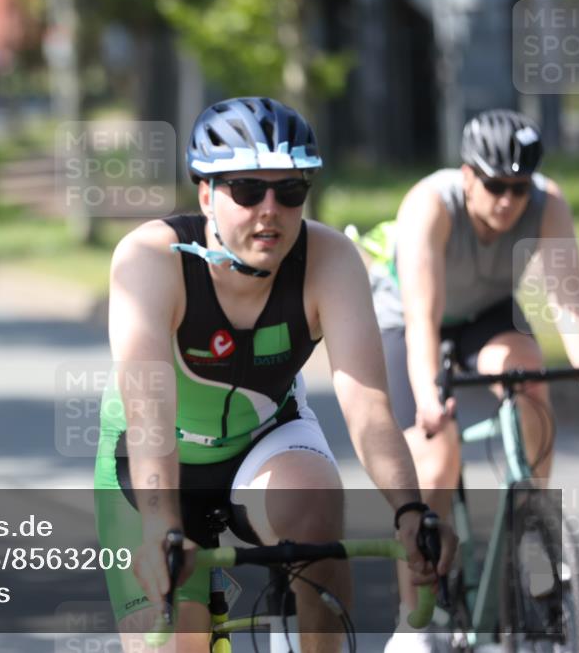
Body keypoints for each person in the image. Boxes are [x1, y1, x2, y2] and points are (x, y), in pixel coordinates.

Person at [94, 96, 456, 653]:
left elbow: (366, 404)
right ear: (205, 194)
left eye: (290, 191)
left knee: (314, 514)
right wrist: (158, 528)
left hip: (264, 443)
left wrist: (411, 511)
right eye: (246, 189)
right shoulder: (149, 259)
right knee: (173, 641)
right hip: (150, 459)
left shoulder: (330, 259)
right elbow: (149, 416)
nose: (270, 209)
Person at [364, 109, 579, 653]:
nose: (508, 200)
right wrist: (427, 402)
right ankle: (414, 616)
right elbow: (422, 320)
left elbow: (568, 305)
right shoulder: (430, 205)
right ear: (467, 175)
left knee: (529, 378)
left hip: (486, 313)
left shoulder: (547, 203)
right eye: (494, 185)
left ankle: (531, 517)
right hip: (408, 317)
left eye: (518, 186)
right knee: (434, 455)